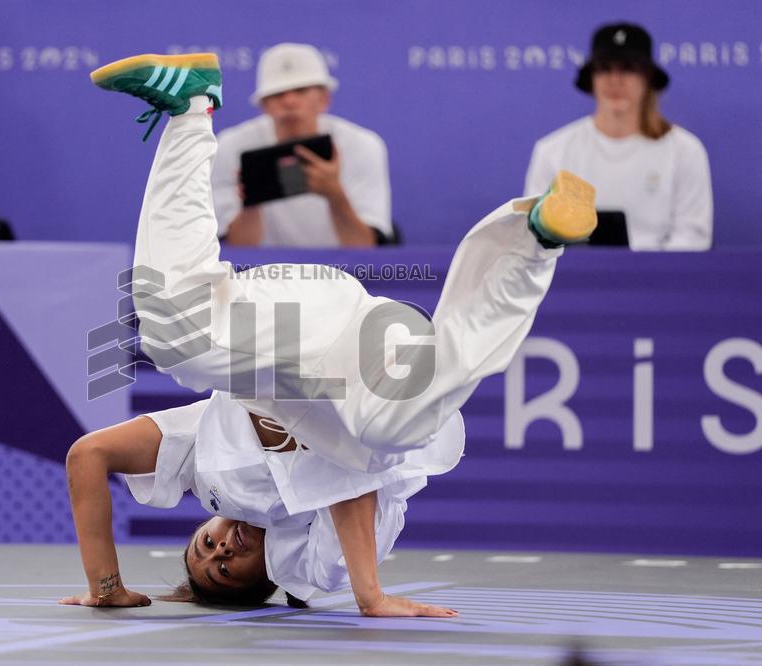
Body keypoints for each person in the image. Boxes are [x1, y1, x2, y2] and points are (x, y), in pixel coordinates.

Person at [61, 53, 595, 615]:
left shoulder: (201, 462)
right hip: (372, 357)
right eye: (225, 568)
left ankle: (191, 107)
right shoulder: (311, 565)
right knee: (387, 428)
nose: (220, 547)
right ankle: (535, 238)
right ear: (265, 580)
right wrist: (371, 596)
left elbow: (88, 456)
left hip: (301, 323)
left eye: (202, 546)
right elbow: (351, 477)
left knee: (175, 337)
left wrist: (106, 586)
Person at [524, 22, 712, 251]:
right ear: (592, 78)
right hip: (575, 282)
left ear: (648, 78)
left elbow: (692, 238)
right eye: (605, 68)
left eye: (629, 68)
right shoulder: (553, 150)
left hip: (661, 282)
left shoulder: (685, 151)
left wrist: (644, 273)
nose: (615, 79)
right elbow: (536, 235)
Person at [212, 43, 392, 247]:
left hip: (343, 273)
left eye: (300, 90)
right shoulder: (231, 146)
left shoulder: (363, 146)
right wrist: (251, 201)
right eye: (277, 94)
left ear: (324, 98)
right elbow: (238, 250)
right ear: (264, 105)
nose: (289, 101)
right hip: (262, 274)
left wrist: (335, 195)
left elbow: (365, 249)